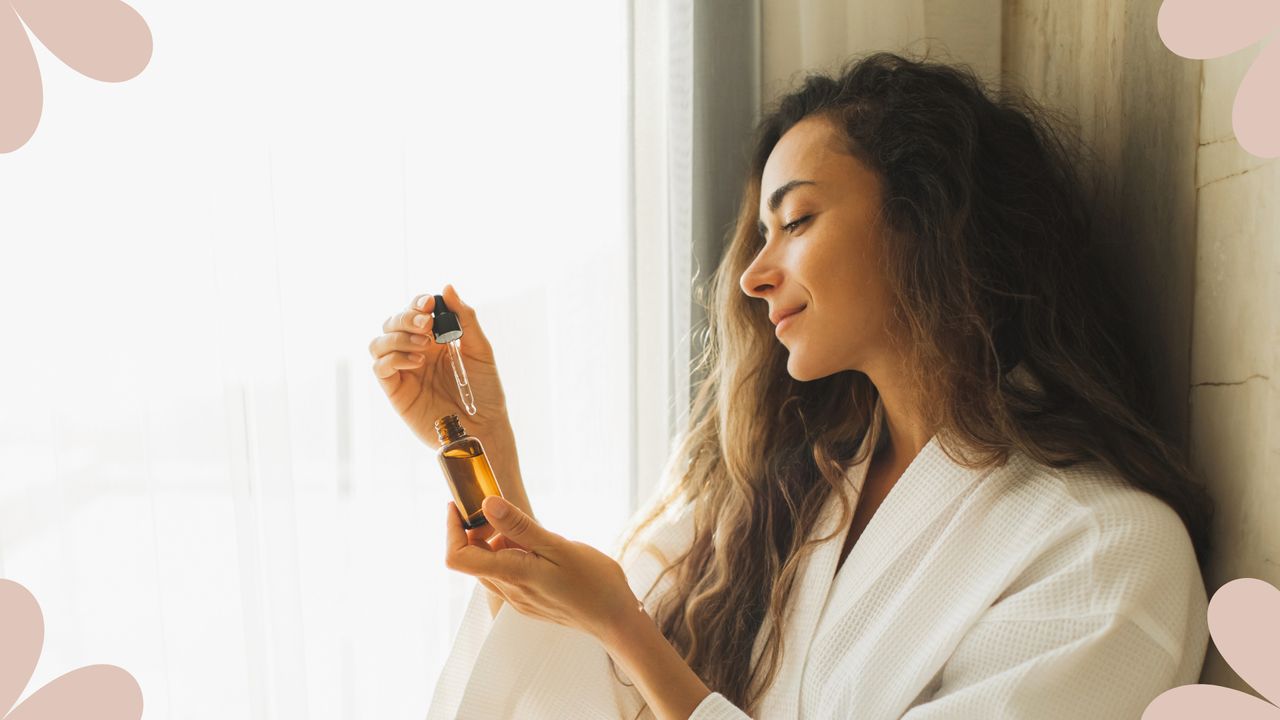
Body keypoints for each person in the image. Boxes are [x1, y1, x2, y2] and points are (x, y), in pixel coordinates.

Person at [370, 52, 1213, 720]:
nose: (754, 276)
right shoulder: (786, 496)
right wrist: (475, 446)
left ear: (928, 219)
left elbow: (632, 651)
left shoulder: (1103, 553)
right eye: (761, 234)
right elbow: (595, 694)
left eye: (798, 220)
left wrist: (625, 626)